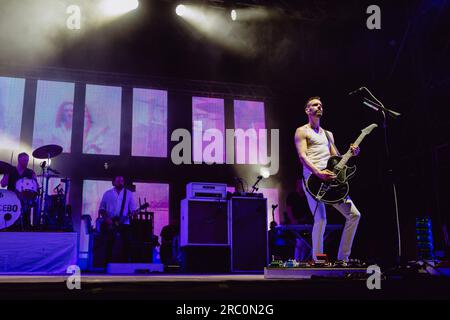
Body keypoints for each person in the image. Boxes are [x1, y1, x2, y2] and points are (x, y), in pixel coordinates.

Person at [294, 96, 361, 264]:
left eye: (321, 105)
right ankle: (318, 260)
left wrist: (352, 153)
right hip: (313, 180)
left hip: (330, 180)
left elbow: (337, 158)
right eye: (315, 105)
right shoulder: (302, 131)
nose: (319, 107)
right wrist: (318, 173)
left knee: (354, 215)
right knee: (321, 219)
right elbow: (302, 157)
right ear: (307, 110)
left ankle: (343, 258)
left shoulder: (328, 134)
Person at [98, 175, 137, 267]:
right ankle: (106, 266)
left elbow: (133, 209)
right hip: (110, 222)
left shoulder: (129, 194)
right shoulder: (107, 193)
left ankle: (125, 266)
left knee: (127, 243)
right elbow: (102, 209)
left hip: (124, 223)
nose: (120, 182)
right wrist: (107, 219)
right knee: (108, 244)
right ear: (114, 182)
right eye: (118, 181)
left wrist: (134, 213)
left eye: (122, 180)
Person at [1, 152, 38, 229]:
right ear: (18, 160)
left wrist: (35, 180)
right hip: (11, 198)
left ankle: (26, 224)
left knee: (31, 203)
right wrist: (6, 174)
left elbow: (35, 186)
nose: (26, 162)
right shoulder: (10, 170)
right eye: (24, 160)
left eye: (27, 160)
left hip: (25, 197)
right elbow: (3, 184)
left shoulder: (30, 172)